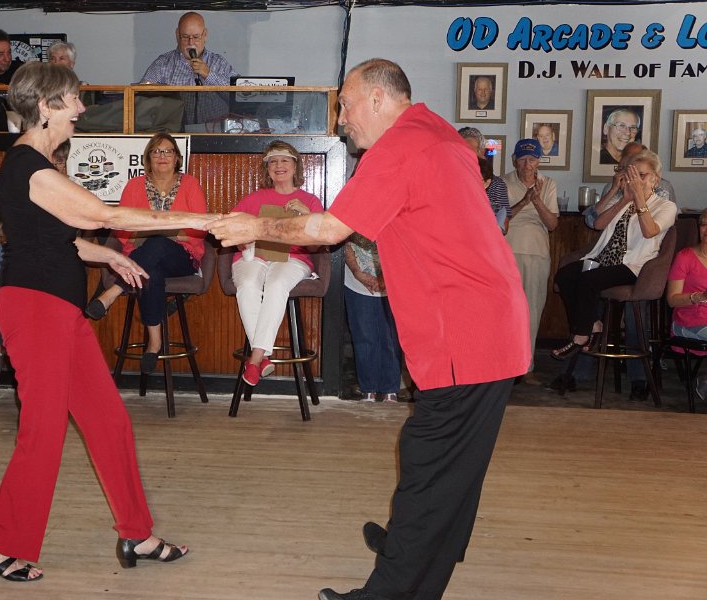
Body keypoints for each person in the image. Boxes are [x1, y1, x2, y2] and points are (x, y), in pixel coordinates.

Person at [208, 58, 529, 600]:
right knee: (456, 463)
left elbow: (330, 228)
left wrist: (254, 225)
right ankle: (418, 544)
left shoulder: (400, 146)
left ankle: (395, 585)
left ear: (378, 99)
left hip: (465, 332)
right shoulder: (437, 133)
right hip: (490, 323)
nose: (341, 119)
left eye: (346, 104)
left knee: (430, 456)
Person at [0, 61, 208, 582]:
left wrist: (111, 257)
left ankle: (136, 533)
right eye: (74, 99)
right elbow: (109, 216)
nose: (81, 107)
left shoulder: (39, 167)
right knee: (43, 432)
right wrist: (205, 220)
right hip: (35, 310)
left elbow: (56, 240)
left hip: (60, 309)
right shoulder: (28, 167)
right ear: (46, 106)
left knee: (108, 420)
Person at [84, 132, 207, 375]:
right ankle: (154, 343)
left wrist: (169, 233)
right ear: (148, 157)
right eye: (156, 151)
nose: (162, 156)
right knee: (151, 270)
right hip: (142, 255)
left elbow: (200, 227)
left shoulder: (190, 184)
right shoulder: (134, 186)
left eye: (168, 151)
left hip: (182, 255)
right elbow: (121, 227)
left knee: (158, 242)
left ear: (177, 158)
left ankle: (112, 293)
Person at [552, 149, 677, 361]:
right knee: (565, 275)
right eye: (632, 175)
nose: (635, 180)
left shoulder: (666, 206)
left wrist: (639, 198)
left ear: (655, 180)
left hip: (633, 266)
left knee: (588, 280)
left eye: (641, 175)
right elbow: (598, 224)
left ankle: (580, 335)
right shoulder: (625, 201)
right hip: (603, 259)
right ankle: (592, 324)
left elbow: (650, 231)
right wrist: (624, 200)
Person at [230, 140, 323, 387]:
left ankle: (256, 357)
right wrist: (242, 238)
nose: (278, 166)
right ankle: (262, 356)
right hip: (255, 256)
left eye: (284, 160)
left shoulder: (310, 200)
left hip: (293, 258)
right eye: (273, 161)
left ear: (295, 166)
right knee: (248, 284)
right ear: (267, 168)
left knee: (276, 284)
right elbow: (231, 226)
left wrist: (307, 216)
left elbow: (318, 246)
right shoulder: (253, 199)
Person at [0, 140, 71, 361]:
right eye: (50, 161)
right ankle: (5, 338)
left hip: (59, 249)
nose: (55, 166)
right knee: (4, 253)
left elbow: (76, 228)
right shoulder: (27, 184)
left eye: (59, 161)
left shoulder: (72, 189)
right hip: (28, 248)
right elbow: (6, 227)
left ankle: (24, 337)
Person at [504, 138, 558, 382]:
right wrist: (524, 201)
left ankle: (526, 367)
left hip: (537, 252)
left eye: (532, 159)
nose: (527, 164)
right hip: (507, 251)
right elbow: (498, 219)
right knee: (506, 310)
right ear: (514, 160)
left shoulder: (548, 184)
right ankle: (503, 366)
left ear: (539, 161)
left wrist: (536, 200)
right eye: (523, 159)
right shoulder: (501, 182)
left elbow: (552, 224)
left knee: (532, 310)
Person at [139, 11, 239, 124]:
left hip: (212, 130)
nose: (190, 42)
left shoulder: (218, 63)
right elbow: (141, 96)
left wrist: (208, 74)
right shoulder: (162, 64)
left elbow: (240, 94)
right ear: (177, 35)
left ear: (205, 35)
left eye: (196, 37)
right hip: (172, 130)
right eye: (185, 37)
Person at [344, 232, 403, 403]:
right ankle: (368, 389)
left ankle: (390, 390)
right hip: (356, 280)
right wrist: (357, 271)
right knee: (363, 336)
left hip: (394, 279)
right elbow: (344, 241)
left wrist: (384, 278)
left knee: (391, 338)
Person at [666, 209, 707, 401]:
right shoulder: (685, 257)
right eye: (704, 225)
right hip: (687, 322)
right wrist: (698, 297)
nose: (706, 230)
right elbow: (672, 299)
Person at [459, 127, 510, 234]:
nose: (464, 155)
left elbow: (504, 225)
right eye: (460, 150)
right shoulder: (445, 179)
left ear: (482, 152)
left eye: (469, 151)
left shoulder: (496, 184)